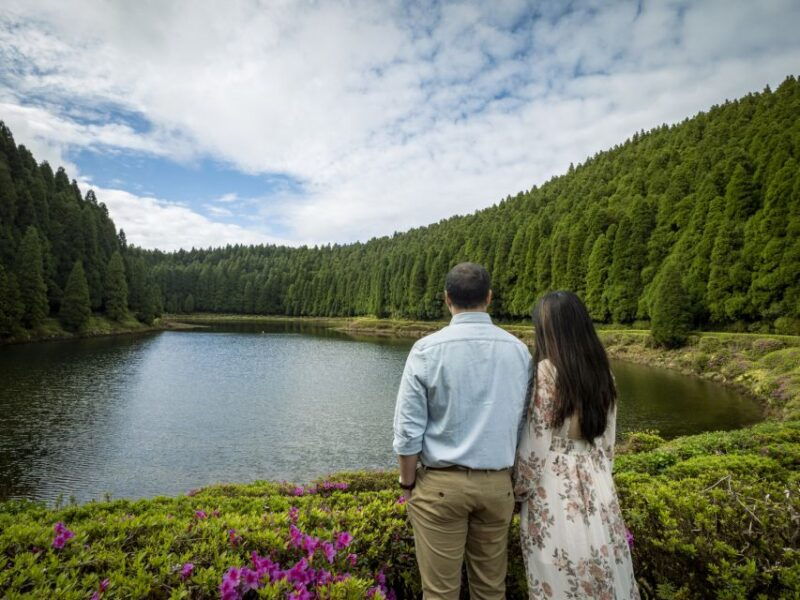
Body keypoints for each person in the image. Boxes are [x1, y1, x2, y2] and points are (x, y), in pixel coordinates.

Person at [393, 262, 533, 600]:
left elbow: (408, 430)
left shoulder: (426, 349)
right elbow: (524, 422)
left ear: (446, 299)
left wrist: (407, 484)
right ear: (489, 297)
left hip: (441, 486)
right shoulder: (518, 350)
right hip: (498, 485)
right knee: (490, 590)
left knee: (440, 593)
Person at [514, 291, 639, 598]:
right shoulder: (603, 373)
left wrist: (518, 489)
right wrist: (601, 476)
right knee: (603, 560)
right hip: (597, 479)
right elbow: (608, 442)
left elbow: (536, 444)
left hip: (555, 483)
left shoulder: (546, 372)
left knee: (559, 568)